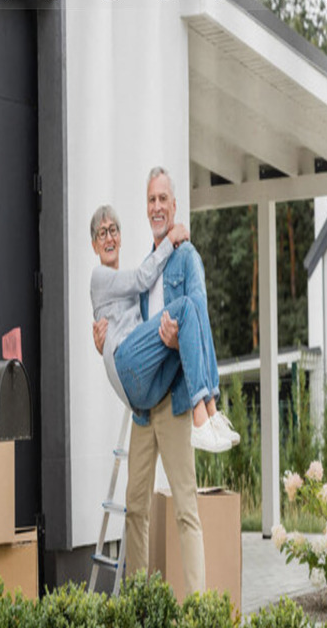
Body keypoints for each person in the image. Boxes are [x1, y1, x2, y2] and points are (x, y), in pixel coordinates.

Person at [92, 167, 237, 596]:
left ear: (175, 207)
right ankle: (139, 610)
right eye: (151, 200)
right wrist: (102, 339)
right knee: (135, 509)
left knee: (185, 510)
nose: (157, 207)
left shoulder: (186, 258)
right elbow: (131, 332)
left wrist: (176, 343)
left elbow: (199, 321)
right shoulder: (144, 268)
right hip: (143, 409)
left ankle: (197, 615)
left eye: (163, 200)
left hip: (173, 402)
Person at [89, 203, 235, 453]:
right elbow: (142, 278)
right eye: (102, 233)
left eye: (113, 230)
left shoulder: (124, 289)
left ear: (120, 238)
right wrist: (171, 238)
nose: (109, 237)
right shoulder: (100, 277)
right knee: (187, 308)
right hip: (127, 367)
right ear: (94, 245)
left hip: (147, 390)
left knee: (190, 322)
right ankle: (203, 412)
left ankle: (210, 409)